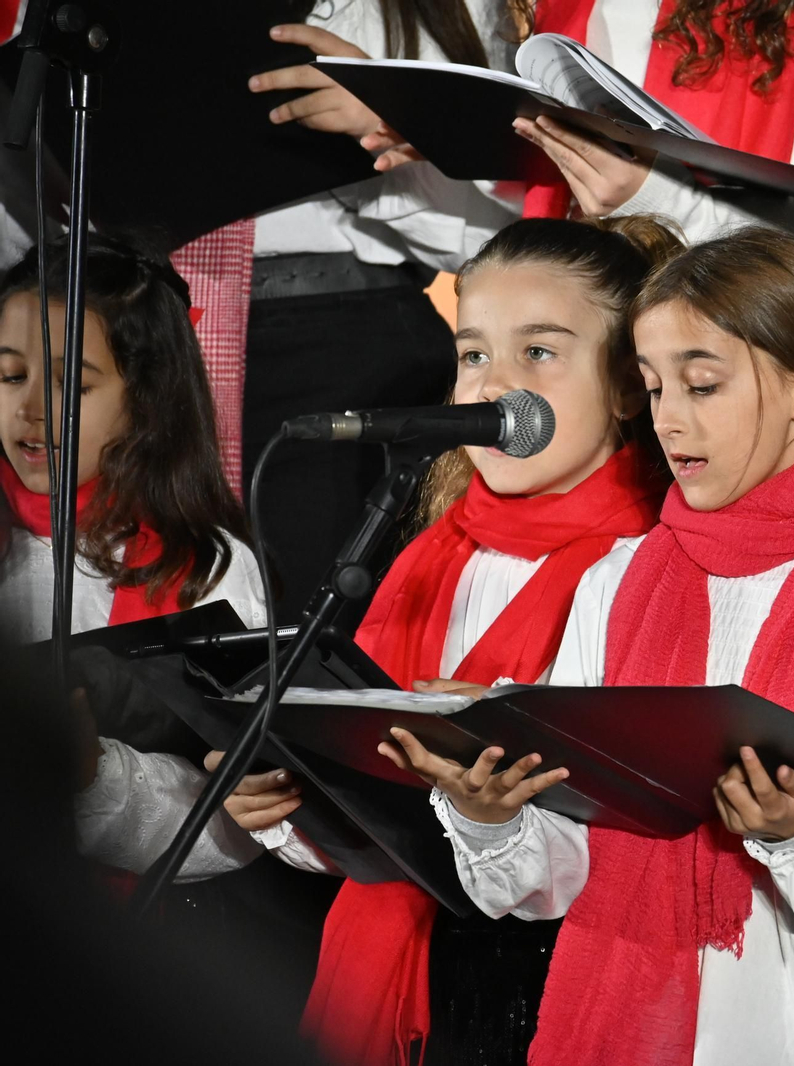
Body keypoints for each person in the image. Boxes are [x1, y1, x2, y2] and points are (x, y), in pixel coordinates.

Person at [381, 227, 794, 1066]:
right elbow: (564, 863)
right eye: (653, 388)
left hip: (785, 1031)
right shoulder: (619, 582)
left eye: (702, 385)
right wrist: (493, 815)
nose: (670, 421)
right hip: (613, 1017)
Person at [217, 214, 678, 1066]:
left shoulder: (651, 569)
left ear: (626, 385)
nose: (492, 385)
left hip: (550, 988)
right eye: (473, 353)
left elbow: (639, 853)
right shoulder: (426, 551)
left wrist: (492, 820)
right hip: (415, 974)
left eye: (537, 352)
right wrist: (286, 807)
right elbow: (376, 815)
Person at [452, 0, 794, 361]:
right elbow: (535, 204)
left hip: (780, 347)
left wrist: (659, 200)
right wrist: (461, 136)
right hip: (595, 341)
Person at [242, 0, 523, 621]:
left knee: (323, 634)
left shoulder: (461, 13)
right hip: (143, 330)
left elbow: (512, 236)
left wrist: (396, 121)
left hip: (347, 336)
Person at [0, 234, 266, 880]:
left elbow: (239, 824)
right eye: (9, 375)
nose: (31, 410)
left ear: (146, 402)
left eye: (71, 383)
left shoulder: (204, 567)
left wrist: (93, 777)